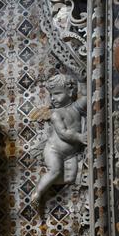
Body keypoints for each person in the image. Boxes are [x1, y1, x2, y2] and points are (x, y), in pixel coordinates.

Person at [31, 74, 87, 208]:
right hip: (54, 151)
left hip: (71, 154)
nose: (52, 98)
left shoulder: (76, 108)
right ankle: (38, 192)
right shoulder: (56, 114)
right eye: (51, 95)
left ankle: (51, 180)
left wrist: (81, 79)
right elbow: (63, 133)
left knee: (71, 178)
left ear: (70, 92)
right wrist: (79, 137)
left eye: (57, 94)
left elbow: (86, 97)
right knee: (55, 170)